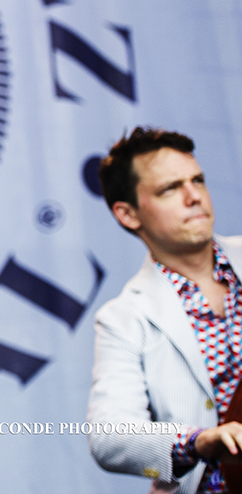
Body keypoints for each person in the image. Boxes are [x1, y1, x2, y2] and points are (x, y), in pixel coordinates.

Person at [88, 126, 242, 493]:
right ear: (128, 214)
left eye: (197, 180)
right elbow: (109, 436)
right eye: (170, 188)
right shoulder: (122, 317)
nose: (194, 197)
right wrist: (200, 442)